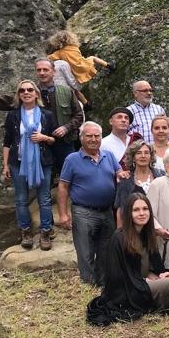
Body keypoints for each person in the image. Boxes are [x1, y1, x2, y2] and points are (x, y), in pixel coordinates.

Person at [86, 194, 169, 326]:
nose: (142, 213)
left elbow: (148, 267)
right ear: (128, 214)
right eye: (136, 210)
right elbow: (117, 277)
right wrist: (142, 281)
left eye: (145, 209)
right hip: (130, 291)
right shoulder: (119, 238)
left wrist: (160, 275)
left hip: (144, 282)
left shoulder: (147, 234)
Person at [57, 121, 123, 285]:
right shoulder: (72, 159)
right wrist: (63, 214)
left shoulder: (109, 156)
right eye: (89, 136)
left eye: (97, 136)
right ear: (81, 138)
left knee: (106, 251)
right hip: (83, 212)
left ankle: (102, 284)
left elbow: (120, 174)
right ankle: (88, 284)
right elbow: (63, 187)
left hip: (107, 212)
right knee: (86, 252)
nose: (93, 139)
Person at [2, 80, 57, 250]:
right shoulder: (13, 115)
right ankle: (25, 231)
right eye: (22, 90)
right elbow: (7, 142)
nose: (26, 92)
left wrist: (44, 137)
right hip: (18, 163)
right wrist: (5, 166)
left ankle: (46, 232)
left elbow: (55, 139)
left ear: (36, 93)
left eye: (30, 89)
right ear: (19, 95)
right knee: (20, 199)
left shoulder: (47, 115)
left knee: (44, 199)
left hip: (43, 162)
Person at [35, 58, 84, 173]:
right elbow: (11, 101)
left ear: (54, 72)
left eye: (45, 70)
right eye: (39, 70)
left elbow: (79, 115)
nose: (42, 73)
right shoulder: (30, 92)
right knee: (45, 182)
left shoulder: (66, 91)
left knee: (72, 176)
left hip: (65, 143)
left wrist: (66, 128)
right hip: (41, 145)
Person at [114, 140, 165, 228]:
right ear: (133, 157)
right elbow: (120, 211)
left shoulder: (161, 176)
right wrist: (120, 235)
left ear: (151, 156)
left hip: (160, 227)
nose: (143, 156)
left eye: (146, 153)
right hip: (134, 230)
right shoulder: (126, 180)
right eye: (139, 153)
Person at [46, 30, 114, 85]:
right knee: (93, 58)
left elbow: (49, 58)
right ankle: (108, 65)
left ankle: (85, 102)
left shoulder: (59, 53)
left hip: (76, 71)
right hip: (84, 65)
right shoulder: (74, 47)